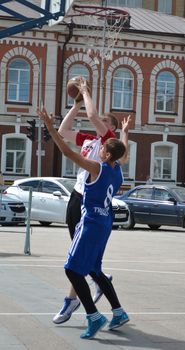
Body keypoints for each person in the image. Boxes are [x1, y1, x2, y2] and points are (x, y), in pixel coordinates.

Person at [37, 106, 130, 339]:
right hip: (105, 222)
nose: (99, 150)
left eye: (104, 149)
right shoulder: (117, 170)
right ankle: (118, 312)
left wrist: (49, 128)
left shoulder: (97, 168)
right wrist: (125, 133)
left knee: (72, 269)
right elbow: (123, 151)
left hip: (90, 221)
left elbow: (69, 154)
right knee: (93, 269)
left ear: (107, 155)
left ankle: (93, 315)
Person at [53, 77, 131, 324]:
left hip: (90, 205)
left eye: (106, 122)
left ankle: (73, 299)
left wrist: (86, 91)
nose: (100, 121)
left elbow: (94, 116)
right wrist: (75, 105)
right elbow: (64, 131)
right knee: (77, 252)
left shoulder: (107, 140)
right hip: (76, 198)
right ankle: (98, 281)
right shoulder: (89, 141)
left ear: (111, 130)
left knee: (76, 258)